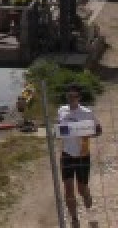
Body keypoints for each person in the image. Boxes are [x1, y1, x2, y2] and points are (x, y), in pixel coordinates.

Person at [58, 83, 102, 227]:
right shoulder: (61, 110)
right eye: (69, 96)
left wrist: (88, 132)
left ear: (79, 97)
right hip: (66, 155)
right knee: (68, 189)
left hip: (83, 155)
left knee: (81, 189)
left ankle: (87, 198)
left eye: (74, 96)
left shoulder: (87, 113)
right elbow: (59, 129)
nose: (71, 99)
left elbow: (98, 130)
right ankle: (75, 220)